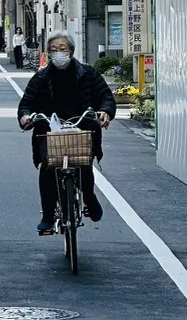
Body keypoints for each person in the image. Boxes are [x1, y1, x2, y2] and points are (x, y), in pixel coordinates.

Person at [17, 30, 116, 235]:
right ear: (48, 53)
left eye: (62, 48)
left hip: (82, 127)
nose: (58, 53)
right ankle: (48, 215)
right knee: (47, 169)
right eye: (53, 49)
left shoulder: (87, 73)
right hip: (49, 131)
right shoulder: (41, 77)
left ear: (71, 50)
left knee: (83, 165)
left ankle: (89, 198)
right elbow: (26, 103)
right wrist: (26, 116)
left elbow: (105, 96)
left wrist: (105, 111)